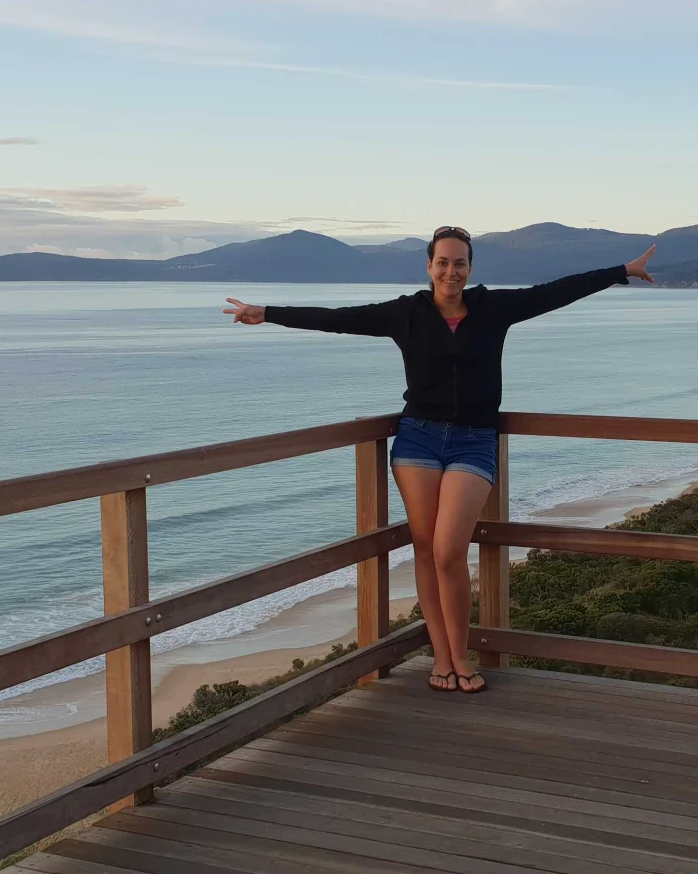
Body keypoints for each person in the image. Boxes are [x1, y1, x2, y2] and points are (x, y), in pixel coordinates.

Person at [225, 226, 656, 694]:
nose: (452, 271)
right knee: (427, 550)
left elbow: (556, 291)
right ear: (429, 267)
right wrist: (265, 313)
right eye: (444, 262)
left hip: (474, 441)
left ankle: (462, 655)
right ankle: (443, 657)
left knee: (450, 551)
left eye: (460, 263)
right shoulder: (406, 313)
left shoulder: (494, 308)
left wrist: (623, 271)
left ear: (471, 269)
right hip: (418, 441)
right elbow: (337, 318)